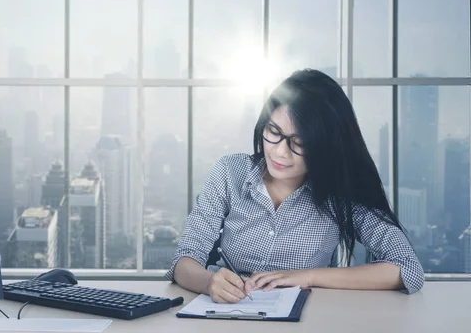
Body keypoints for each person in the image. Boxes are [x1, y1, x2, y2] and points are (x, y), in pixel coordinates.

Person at [165, 68, 424, 303]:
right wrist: (210, 283)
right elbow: (184, 259)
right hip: (226, 314)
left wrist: (308, 277)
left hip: (307, 319)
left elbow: (407, 268)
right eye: (274, 132)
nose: (279, 152)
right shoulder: (230, 172)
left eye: (299, 143)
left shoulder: (341, 193)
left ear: (325, 147)